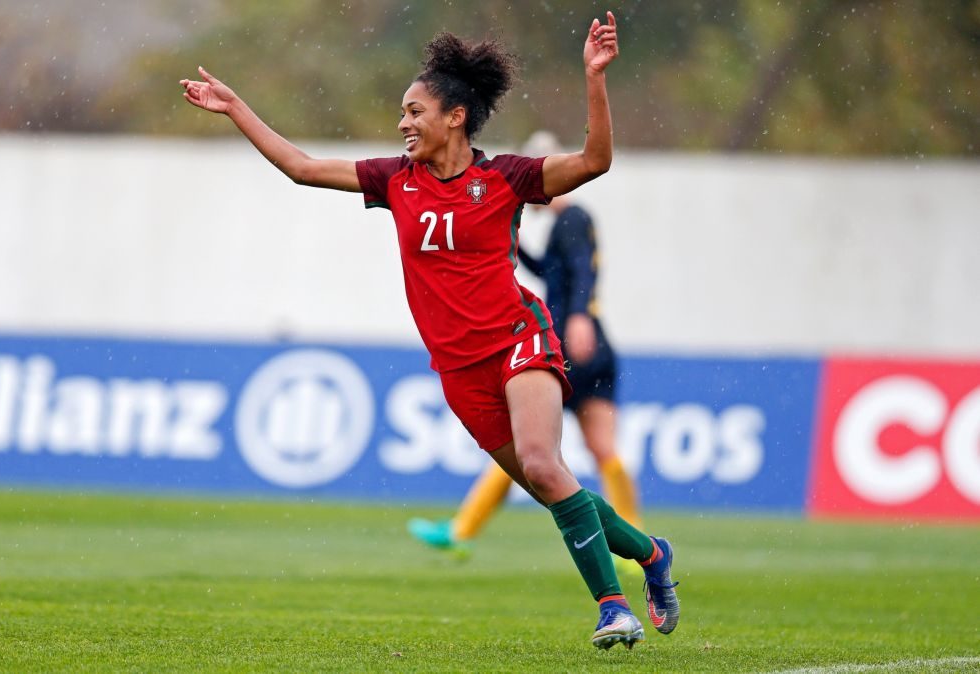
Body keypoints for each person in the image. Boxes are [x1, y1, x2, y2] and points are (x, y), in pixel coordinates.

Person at [179, 11, 678, 650]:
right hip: (459, 368)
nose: (403, 122)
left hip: (519, 338)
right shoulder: (395, 180)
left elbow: (596, 160)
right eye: (402, 113)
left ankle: (613, 608)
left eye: (415, 111)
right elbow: (301, 167)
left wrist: (594, 77)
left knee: (541, 464)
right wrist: (234, 108)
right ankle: (653, 554)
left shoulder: (505, 179)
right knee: (553, 486)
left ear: (456, 117)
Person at [408, 131, 643, 571]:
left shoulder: (572, 220)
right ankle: (635, 537)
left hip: (571, 341)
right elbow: (550, 268)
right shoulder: (567, 224)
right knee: (593, 450)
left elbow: (579, 274)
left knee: (529, 452)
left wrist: (578, 318)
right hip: (594, 346)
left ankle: (462, 530)